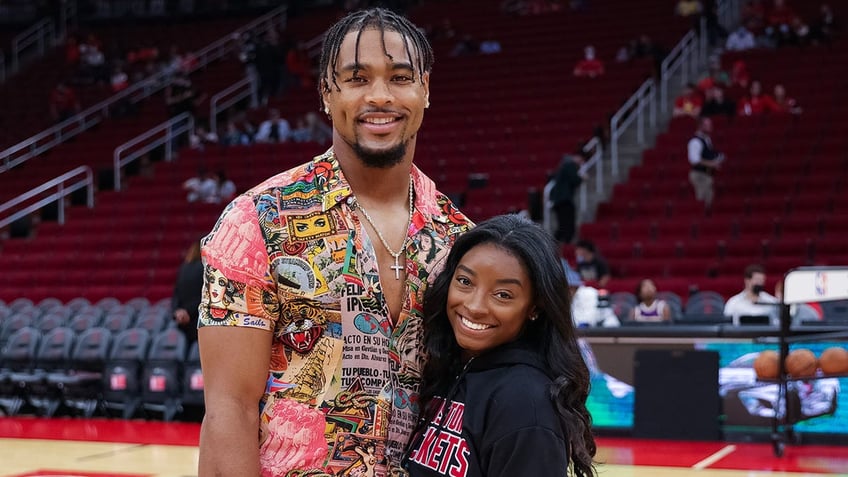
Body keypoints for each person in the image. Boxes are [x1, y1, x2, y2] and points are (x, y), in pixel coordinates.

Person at [196, 8, 473, 476]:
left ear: (425, 89)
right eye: (357, 78)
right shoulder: (257, 222)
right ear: (327, 93)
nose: (380, 96)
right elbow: (230, 410)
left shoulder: (459, 237)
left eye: (401, 77)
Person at [403, 214, 596, 477]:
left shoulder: (526, 404)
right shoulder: (446, 368)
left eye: (503, 295)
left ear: (535, 307)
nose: (474, 306)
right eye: (465, 282)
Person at [549, 149, 587, 244]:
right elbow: (575, 180)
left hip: (559, 200)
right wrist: (582, 178)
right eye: (581, 160)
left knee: (562, 225)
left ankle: (556, 244)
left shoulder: (564, 165)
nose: (581, 163)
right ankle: (563, 244)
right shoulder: (570, 165)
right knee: (567, 225)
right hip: (564, 200)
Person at [171, 240, 204, 345]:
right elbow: (205, 296)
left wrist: (178, 311)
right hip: (198, 319)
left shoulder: (183, 268)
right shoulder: (204, 268)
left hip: (182, 320)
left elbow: (176, 295)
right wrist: (188, 312)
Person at [687, 117, 724, 210]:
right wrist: (712, 164)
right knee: (703, 200)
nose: (711, 127)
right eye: (708, 125)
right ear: (700, 126)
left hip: (707, 174)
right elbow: (695, 160)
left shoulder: (707, 139)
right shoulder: (695, 141)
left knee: (709, 198)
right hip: (700, 175)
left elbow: (707, 154)